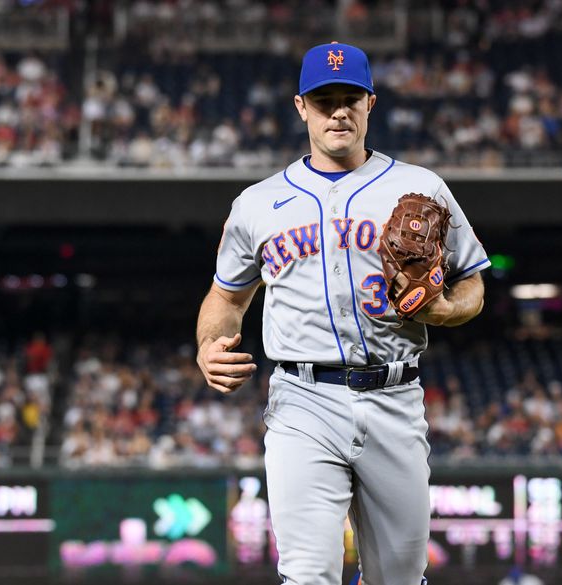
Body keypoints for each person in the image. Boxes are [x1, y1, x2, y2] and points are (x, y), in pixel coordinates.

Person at [196, 42, 489, 585]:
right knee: (308, 575)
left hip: (395, 398)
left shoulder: (421, 187)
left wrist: (447, 309)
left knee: (399, 576)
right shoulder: (258, 203)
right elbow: (226, 297)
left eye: (349, 98)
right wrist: (210, 346)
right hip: (302, 400)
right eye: (323, 99)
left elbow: (472, 282)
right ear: (300, 107)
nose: (338, 111)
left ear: (370, 103)